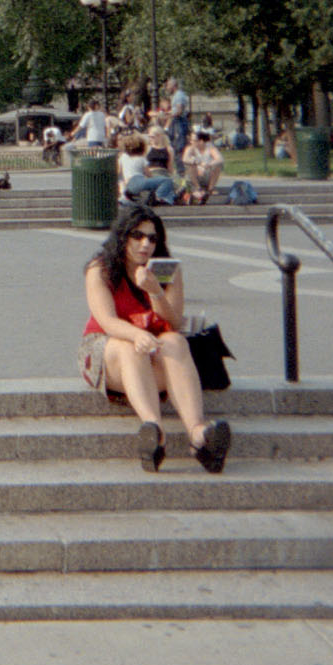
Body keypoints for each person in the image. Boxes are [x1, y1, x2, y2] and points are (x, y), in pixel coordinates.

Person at [78, 203, 231, 473]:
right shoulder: (100, 269)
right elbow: (107, 322)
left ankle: (199, 435)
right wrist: (137, 334)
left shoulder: (166, 270)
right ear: (122, 236)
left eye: (152, 238)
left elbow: (173, 322)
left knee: (176, 341)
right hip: (108, 351)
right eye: (137, 235)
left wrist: (155, 291)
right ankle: (154, 432)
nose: (145, 244)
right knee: (129, 348)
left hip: (155, 353)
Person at [181, 128, 224, 205]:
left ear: (201, 141)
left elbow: (219, 159)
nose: (191, 142)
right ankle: (198, 188)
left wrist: (209, 164)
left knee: (218, 166)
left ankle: (210, 188)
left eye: (194, 140)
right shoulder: (190, 148)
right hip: (195, 175)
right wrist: (198, 162)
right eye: (191, 140)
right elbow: (185, 159)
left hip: (207, 173)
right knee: (190, 165)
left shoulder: (210, 148)